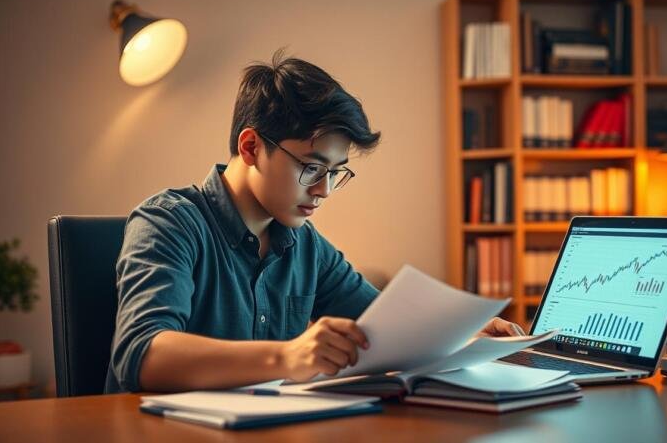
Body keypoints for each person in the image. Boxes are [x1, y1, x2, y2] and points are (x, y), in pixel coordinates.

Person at [105, 51, 524, 393]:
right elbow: (142, 355)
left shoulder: (304, 245)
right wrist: (288, 356)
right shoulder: (168, 223)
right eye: (311, 168)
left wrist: (462, 334)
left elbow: (385, 325)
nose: (323, 190)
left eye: (336, 172)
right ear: (251, 146)